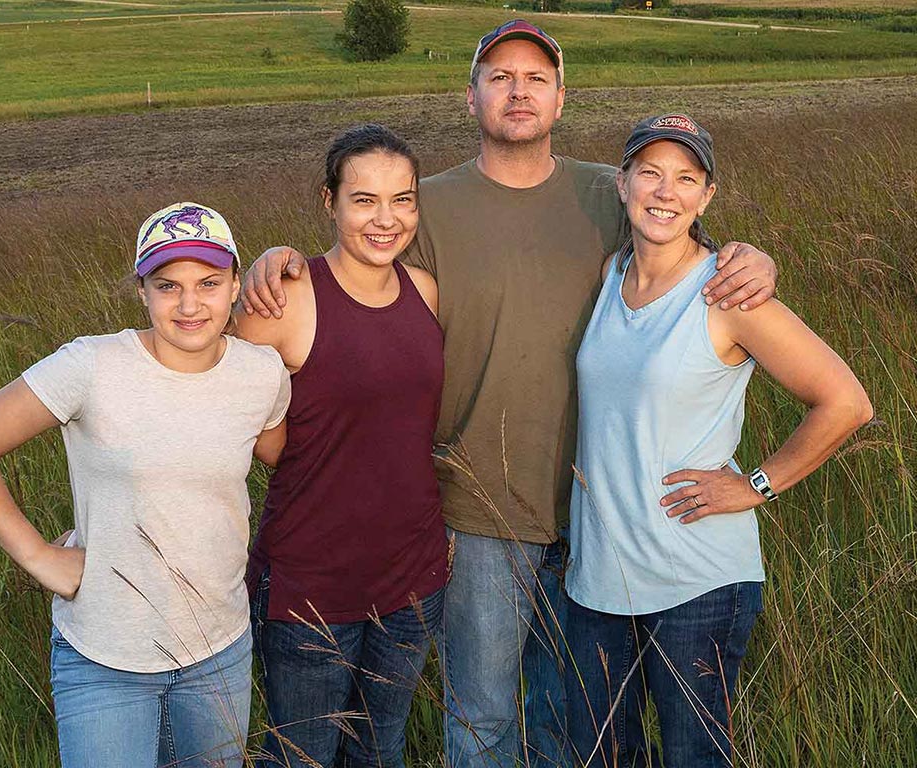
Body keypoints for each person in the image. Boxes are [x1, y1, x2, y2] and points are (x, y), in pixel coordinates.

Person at [239, 21, 778, 767]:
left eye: (535, 77)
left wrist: (752, 254)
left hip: (600, 516)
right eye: (499, 76)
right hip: (479, 513)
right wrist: (277, 260)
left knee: (570, 724)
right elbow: (352, 267)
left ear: (561, 98)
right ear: (471, 97)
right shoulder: (423, 206)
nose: (518, 90)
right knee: (482, 719)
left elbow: (687, 243)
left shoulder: (610, 191)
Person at [0, 202, 291, 768]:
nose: (191, 304)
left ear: (235, 286)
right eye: (168, 285)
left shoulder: (260, 372)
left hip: (217, 650)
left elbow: (284, 456)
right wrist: (37, 556)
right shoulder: (92, 366)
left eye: (209, 283)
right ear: (141, 290)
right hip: (105, 656)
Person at [563, 114, 872, 767]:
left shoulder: (728, 293)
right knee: (601, 756)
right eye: (650, 172)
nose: (665, 191)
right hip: (598, 581)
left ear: (706, 197)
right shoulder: (609, 275)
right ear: (622, 184)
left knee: (693, 757)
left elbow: (846, 402)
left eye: (686, 178)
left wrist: (755, 485)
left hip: (695, 584)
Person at [234, 124, 448, 768]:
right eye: (364, 200)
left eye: (402, 199)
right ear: (329, 202)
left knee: (380, 748)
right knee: (304, 753)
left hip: (412, 576)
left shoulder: (425, 291)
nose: (386, 220)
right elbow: (252, 432)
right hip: (311, 579)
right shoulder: (287, 298)